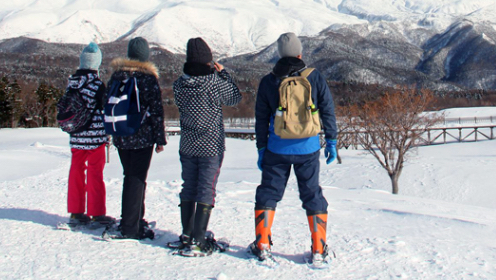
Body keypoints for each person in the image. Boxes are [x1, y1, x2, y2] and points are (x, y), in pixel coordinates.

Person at [249, 33, 338, 265]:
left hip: (276, 148)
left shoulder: (269, 81)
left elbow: (261, 118)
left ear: (279, 54)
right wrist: (331, 141)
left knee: (268, 193)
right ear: (300, 54)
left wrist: (261, 148)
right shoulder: (314, 77)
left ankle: (262, 244)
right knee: (312, 195)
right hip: (307, 148)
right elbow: (327, 110)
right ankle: (318, 248)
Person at [168, 37, 242, 256]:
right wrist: (223, 73)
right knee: (206, 188)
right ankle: (198, 240)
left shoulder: (179, 84)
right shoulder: (213, 82)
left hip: (187, 144)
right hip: (211, 145)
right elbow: (234, 98)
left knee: (189, 186)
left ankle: (187, 233)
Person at [103, 37, 167, 240]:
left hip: (121, 133)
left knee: (129, 175)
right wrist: (160, 139)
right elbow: (157, 110)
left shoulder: (116, 76)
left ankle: (133, 218)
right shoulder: (148, 78)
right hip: (142, 135)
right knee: (137, 178)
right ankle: (131, 226)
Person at [66, 42, 114, 227]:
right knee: (95, 173)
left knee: (76, 171)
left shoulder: (72, 84)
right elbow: (105, 108)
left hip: (76, 135)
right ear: (97, 64)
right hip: (94, 137)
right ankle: (96, 212)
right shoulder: (96, 85)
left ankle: (76, 212)